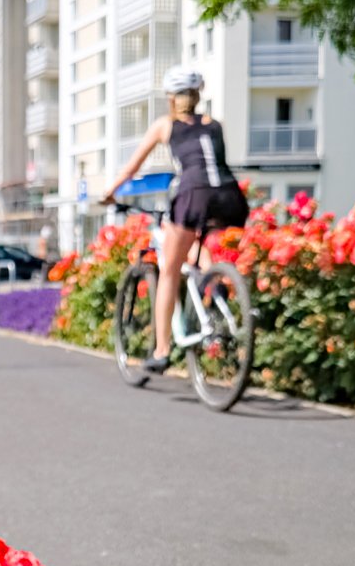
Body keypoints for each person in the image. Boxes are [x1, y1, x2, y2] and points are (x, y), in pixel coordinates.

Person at [102, 65, 249, 374]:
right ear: (197, 96)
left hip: (193, 193)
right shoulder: (214, 123)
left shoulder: (165, 125)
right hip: (230, 194)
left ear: (171, 99)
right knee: (198, 242)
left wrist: (109, 193)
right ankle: (217, 285)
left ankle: (162, 350)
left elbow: (132, 168)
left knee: (169, 269)